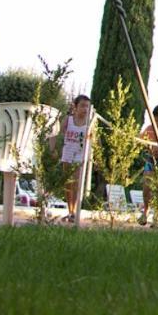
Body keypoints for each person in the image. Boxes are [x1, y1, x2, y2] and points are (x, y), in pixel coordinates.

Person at [58, 95, 92, 223]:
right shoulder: (68, 120)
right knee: (68, 183)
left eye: (87, 106)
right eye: (82, 105)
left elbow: (95, 139)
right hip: (67, 153)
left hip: (80, 155)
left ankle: (75, 211)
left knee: (77, 183)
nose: (85, 109)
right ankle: (70, 210)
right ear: (76, 106)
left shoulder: (89, 123)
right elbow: (60, 134)